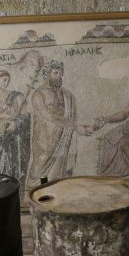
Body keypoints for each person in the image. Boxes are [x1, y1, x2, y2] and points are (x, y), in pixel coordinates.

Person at [26, 60, 92, 190]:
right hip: (44, 140)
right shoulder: (38, 94)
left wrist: (79, 126)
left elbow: (71, 114)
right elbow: (48, 116)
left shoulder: (67, 95)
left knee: (58, 171)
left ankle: (55, 194)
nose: (59, 76)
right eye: (56, 73)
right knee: (41, 172)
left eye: (60, 73)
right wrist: (75, 126)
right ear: (46, 74)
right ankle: (38, 193)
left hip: (62, 137)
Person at [0, 70, 29, 182]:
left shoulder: (17, 97)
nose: (6, 82)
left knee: (13, 170)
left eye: (8, 80)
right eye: (4, 80)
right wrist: (0, 117)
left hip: (13, 139)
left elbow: (26, 118)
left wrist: (16, 123)